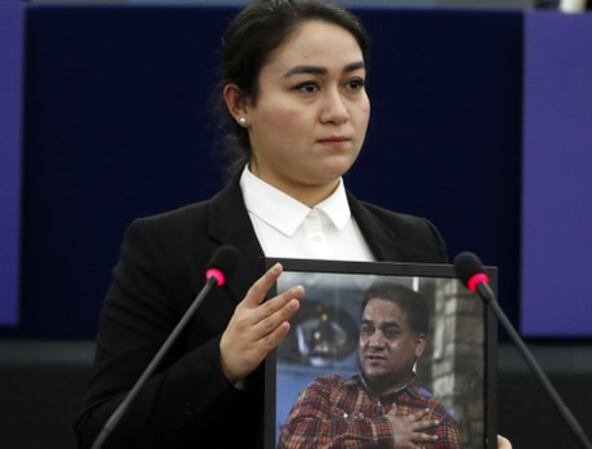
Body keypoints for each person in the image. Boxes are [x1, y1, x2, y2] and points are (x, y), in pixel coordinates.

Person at [75, 1, 512, 448]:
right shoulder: (170, 246)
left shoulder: (414, 240)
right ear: (241, 103)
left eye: (354, 84)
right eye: (307, 87)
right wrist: (221, 364)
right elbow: (101, 433)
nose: (338, 111)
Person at [278, 282, 461, 449]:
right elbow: (293, 442)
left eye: (390, 332)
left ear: (419, 344)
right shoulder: (326, 391)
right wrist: (386, 432)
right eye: (368, 330)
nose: (374, 343)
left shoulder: (434, 420)